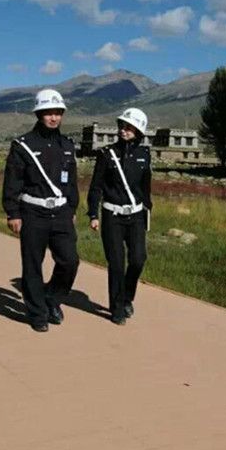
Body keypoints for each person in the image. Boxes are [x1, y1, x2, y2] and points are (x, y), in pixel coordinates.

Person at [3, 89, 80, 333]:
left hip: (61, 212)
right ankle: (37, 313)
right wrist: (13, 212)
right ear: (39, 114)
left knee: (70, 261)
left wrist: (73, 207)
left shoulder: (67, 145)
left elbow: (71, 181)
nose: (54, 117)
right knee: (32, 265)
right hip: (33, 212)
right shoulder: (23, 145)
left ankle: (52, 298)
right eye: (48, 113)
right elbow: (13, 180)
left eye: (58, 112)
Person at [87, 108, 152, 326]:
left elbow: (146, 187)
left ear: (139, 130)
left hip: (136, 216)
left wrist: (147, 210)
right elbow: (96, 186)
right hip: (112, 216)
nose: (124, 130)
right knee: (116, 264)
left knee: (138, 259)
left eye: (129, 127)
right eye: (122, 126)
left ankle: (126, 298)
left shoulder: (145, 155)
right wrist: (93, 213)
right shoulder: (106, 154)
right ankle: (116, 309)